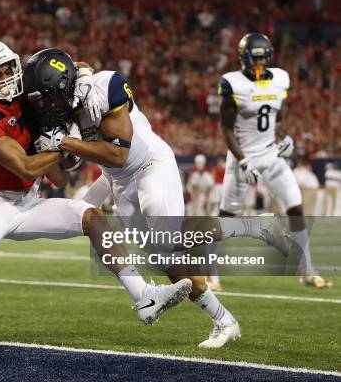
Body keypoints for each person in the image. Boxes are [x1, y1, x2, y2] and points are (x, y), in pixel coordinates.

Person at [0, 38, 193, 359]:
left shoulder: (29, 95)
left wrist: (81, 77)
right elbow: (27, 168)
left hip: (31, 202)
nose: (6, 79)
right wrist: (63, 145)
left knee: (93, 218)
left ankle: (144, 297)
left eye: (7, 70)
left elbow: (59, 176)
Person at [20, 48, 299, 348]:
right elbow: (62, 176)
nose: (47, 106)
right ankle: (225, 321)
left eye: (49, 97)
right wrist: (50, 153)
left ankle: (257, 228)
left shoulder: (103, 88)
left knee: (165, 237)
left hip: (149, 164)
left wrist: (65, 142)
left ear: (64, 86)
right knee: (164, 259)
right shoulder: (64, 109)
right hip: (118, 180)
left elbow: (119, 153)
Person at [214, 33, 331, 288]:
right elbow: (226, 130)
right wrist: (243, 162)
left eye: (261, 59)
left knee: (296, 207)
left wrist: (285, 136)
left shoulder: (280, 79)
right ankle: (209, 273)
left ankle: (307, 270)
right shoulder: (233, 84)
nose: (257, 65)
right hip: (242, 156)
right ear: (243, 59)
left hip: (270, 153)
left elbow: (278, 116)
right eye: (253, 59)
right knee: (227, 214)